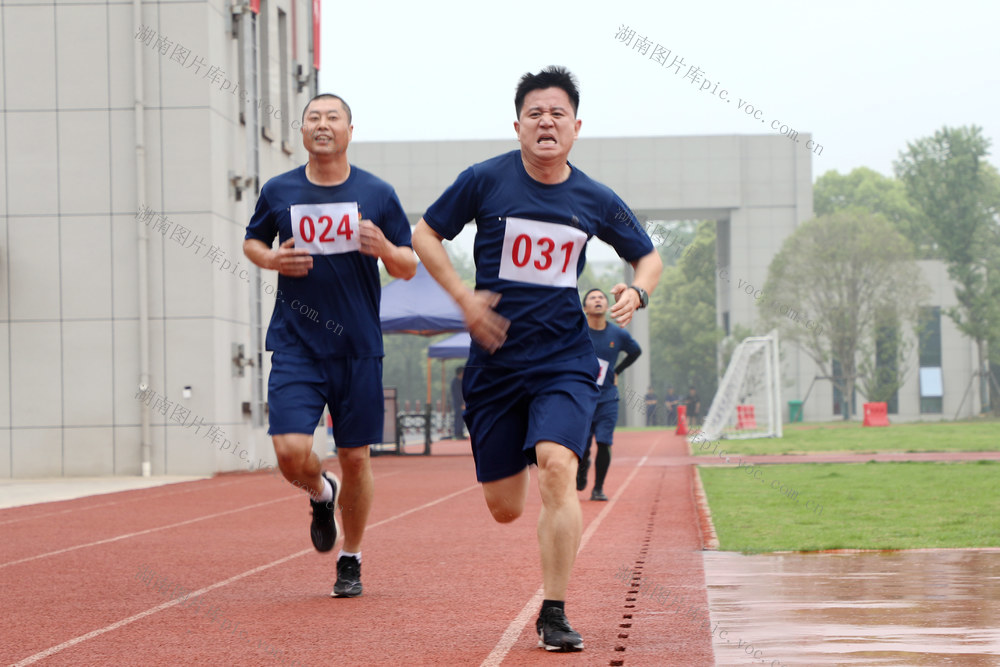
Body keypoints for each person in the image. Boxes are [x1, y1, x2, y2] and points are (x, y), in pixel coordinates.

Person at [411, 66, 662, 653]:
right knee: (504, 508)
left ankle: (554, 612)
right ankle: (522, 444)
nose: (546, 123)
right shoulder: (483, 180)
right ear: (518, 124)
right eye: (535, 114)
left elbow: (646, 256)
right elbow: (425, 235)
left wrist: (638, 290)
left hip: (564, 360)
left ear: (576, 125)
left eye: (557, 114)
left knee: (557, 467)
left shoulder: (594, 198)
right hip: (496, 365)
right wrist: (464, 298)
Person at [243, 93, 417, 598]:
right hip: (297, 343)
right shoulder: (280, 190)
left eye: (332, 118)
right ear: (301, 133)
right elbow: (253, 241)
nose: (322, 125)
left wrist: (384, 247)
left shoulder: (377, 193)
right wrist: (272, 260)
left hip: (358, 347)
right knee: (291, 452)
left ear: (348, 129)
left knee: (356, 457)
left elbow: (407, 265)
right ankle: (322, 494)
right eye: (313, 118)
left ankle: (351, 557)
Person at [576, 289, 641, 501]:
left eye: (601, 297)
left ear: (607, 306)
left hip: (607, 397)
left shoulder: (618, 334)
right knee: (582, 445)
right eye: (592, 298)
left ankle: (598, 488)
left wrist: (618, 371)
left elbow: (635, 351)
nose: (597, 300)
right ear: (585, 307)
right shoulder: (577, 332)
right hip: (581, 397)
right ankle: (581, 470)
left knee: (604, 441)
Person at [451, 366, 465, 439]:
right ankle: (458, 433)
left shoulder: (461, 381)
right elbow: (457, 394)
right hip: (458, 403)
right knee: (458, 418)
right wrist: (461, 404)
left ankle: (460, 433)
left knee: (461, 418)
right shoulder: (455, 382)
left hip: (462, 403)